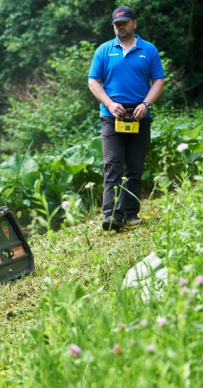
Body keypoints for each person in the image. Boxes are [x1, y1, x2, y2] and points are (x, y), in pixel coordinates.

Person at [88, 6, 165, 231]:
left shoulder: (148, 50)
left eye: (124, 23)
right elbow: (93, 81)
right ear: (113, 26)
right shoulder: (104, 50)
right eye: (116, 24)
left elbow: (158, 80)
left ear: (134, 23)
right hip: (112, 116)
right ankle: (112, 215)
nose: (120, 27)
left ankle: (131, 213)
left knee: (134, 167)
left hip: (140, 116)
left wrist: (146, 104)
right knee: (113, 165)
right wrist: (110, 104)